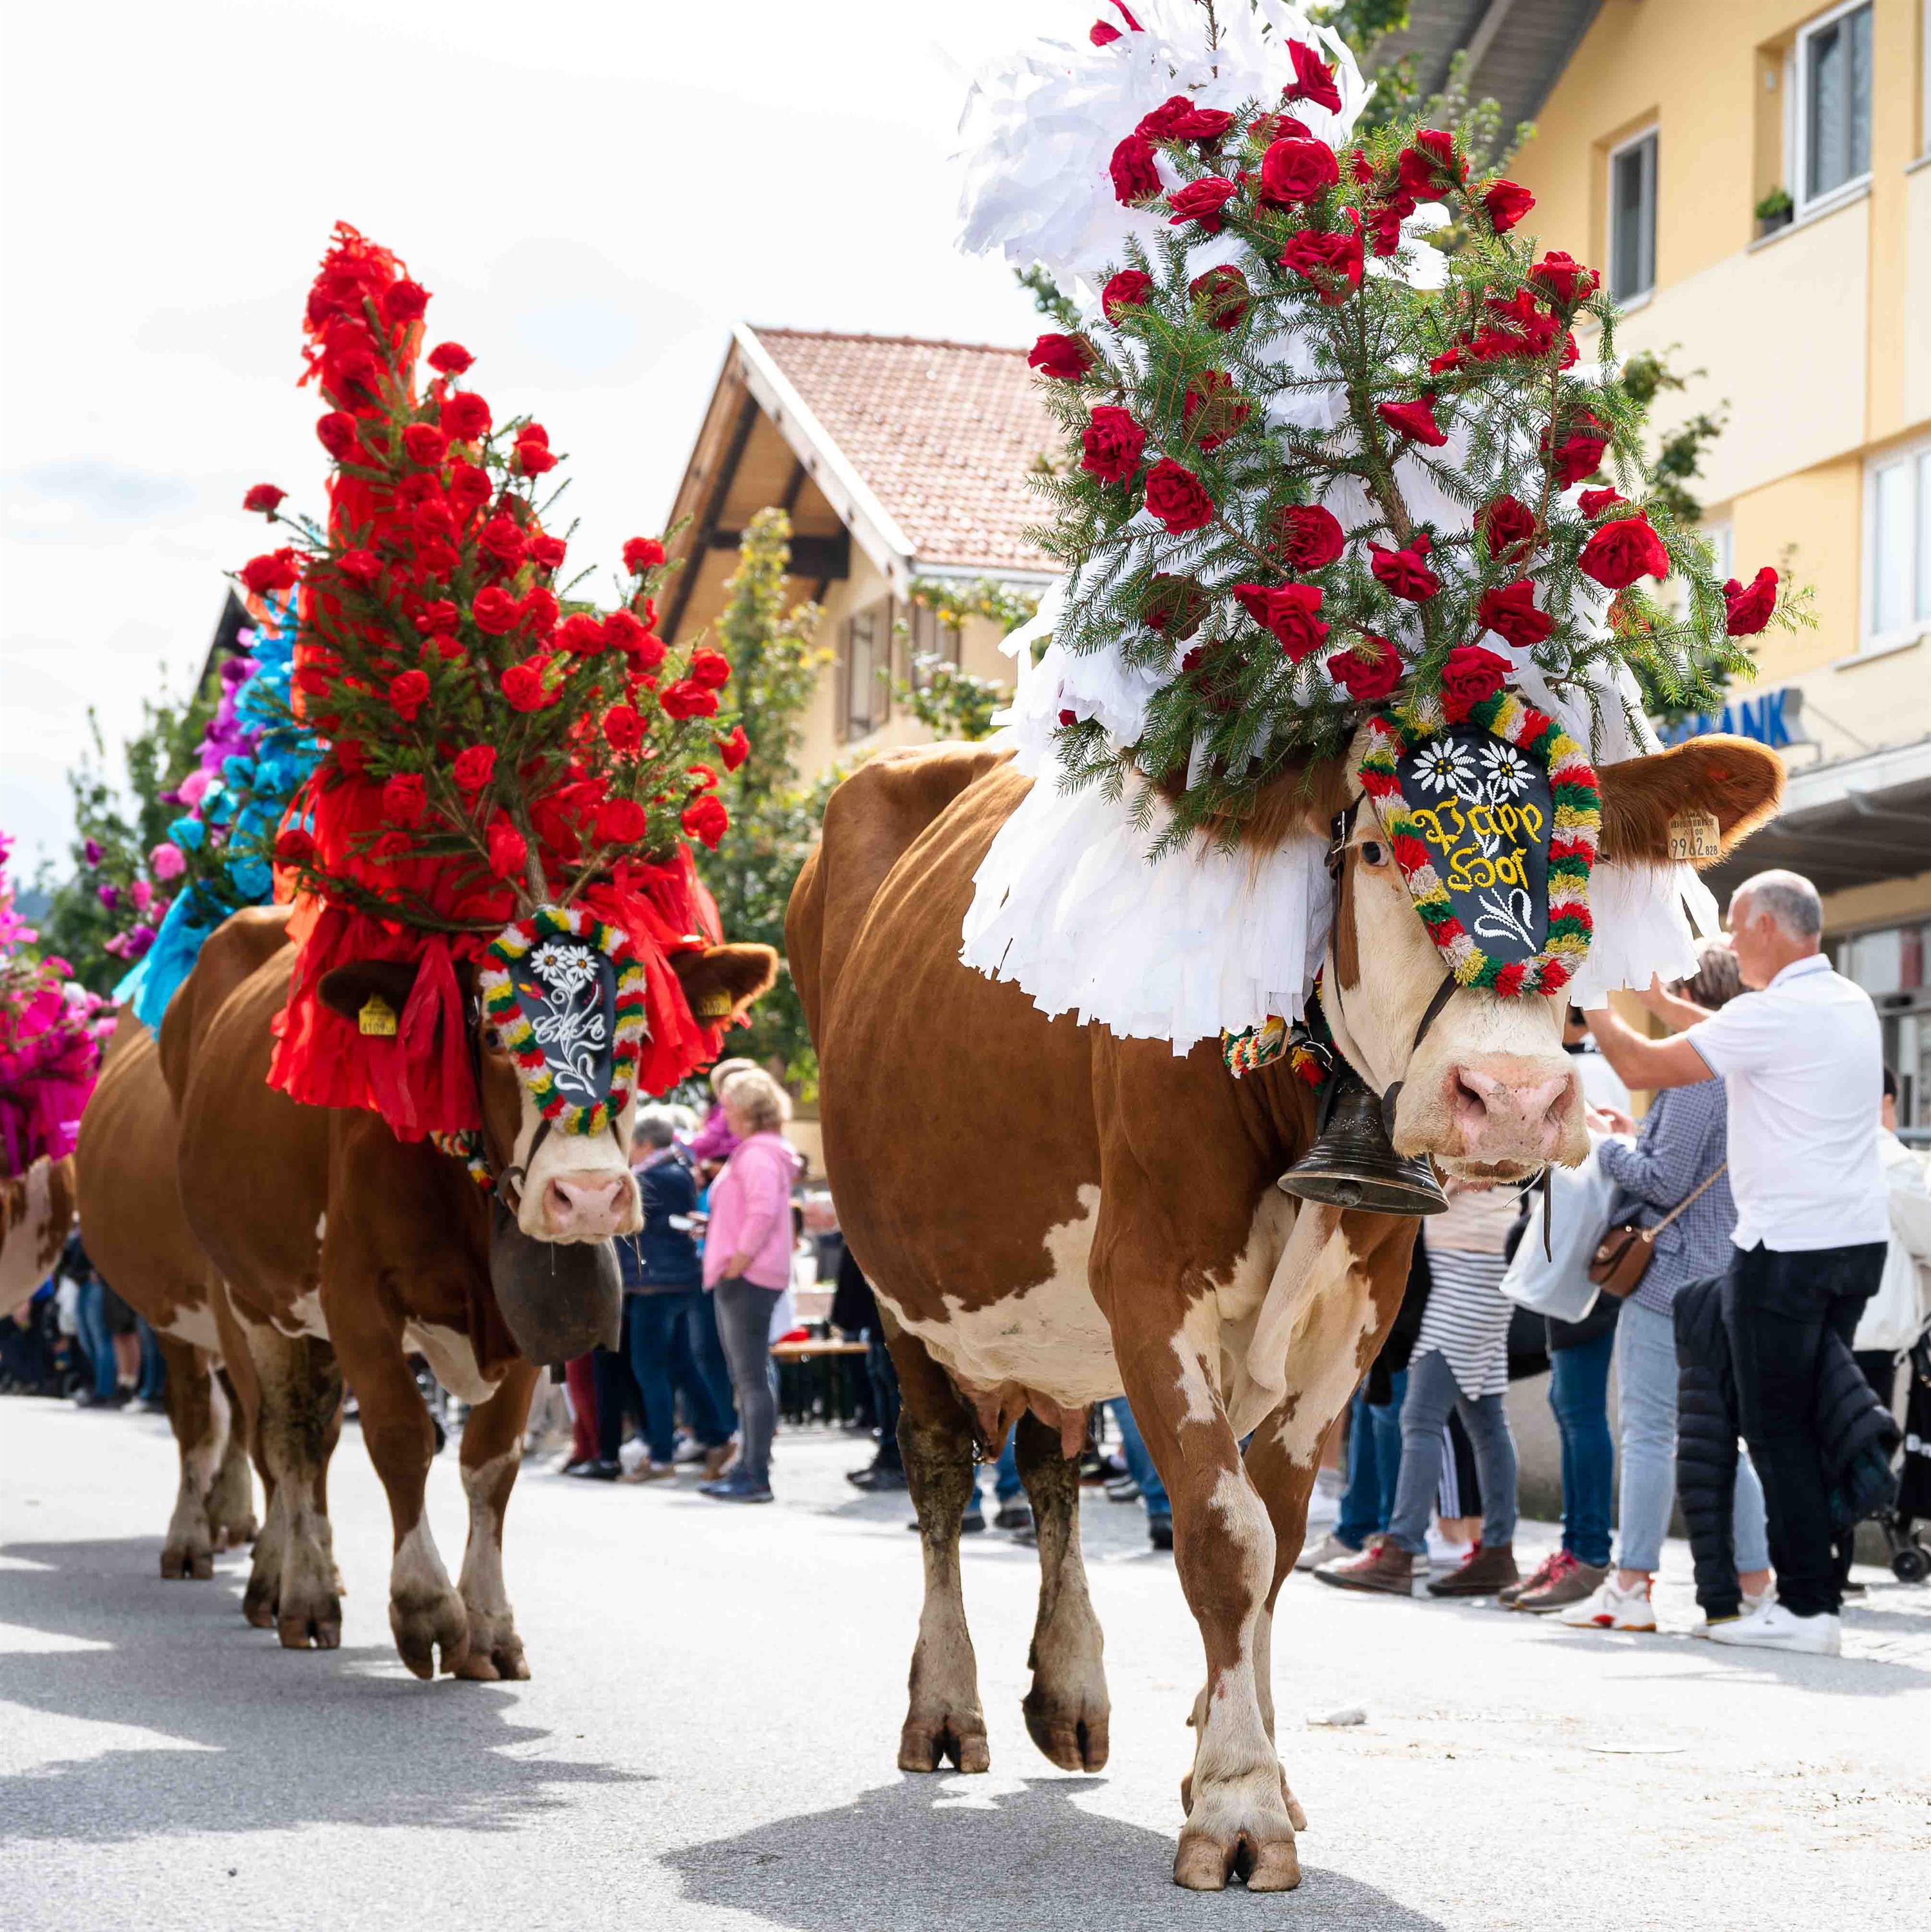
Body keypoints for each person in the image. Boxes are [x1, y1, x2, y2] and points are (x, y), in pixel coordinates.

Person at [1586, 870, 1889, 1655]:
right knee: (1810, 1417)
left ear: (1763, 925)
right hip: (1855, 1245)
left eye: (1730, 919)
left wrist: (1588, 995)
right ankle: (1805, 1590)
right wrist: (1658, 998)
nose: (1724, 931)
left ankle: (1806, 1608)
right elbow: (1724, 1034)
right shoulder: (1845, 1003)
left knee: (1776, 1428)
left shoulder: (1771, 1014)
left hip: (1785, 1251)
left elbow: (1642, 1064)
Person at [1559, 941, 1773, 1632]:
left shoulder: (1693, 1067)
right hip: (1726, 1267)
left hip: (1669, 1275)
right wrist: (1636, 1135)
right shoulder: (1750, 1067)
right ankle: (1757, 1579)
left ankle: (1631, 1585)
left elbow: (1662, 1180)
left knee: (1650, 1430)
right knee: (1723, 1435)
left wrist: (1600, 1140)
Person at [1318, 1180, 1521, 1597]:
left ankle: (1403, 1550)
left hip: (1468, 1260)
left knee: (1421, 1417)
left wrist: (1446, 1178)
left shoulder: (1505, 1113)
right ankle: (1497, 1552)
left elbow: (1503, 1156)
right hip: (1479, 1255)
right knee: (1484, 1418)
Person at [1504, 1008, 1635, 1613]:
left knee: (1579, 1407)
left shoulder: (1591, 1071)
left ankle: (1587, 1550)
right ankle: (1577, 1545)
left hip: (1585, 1259)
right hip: (1579, 1257)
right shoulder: (1603, 1069)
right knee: (1571, 1404)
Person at [700, 1067, 801, 1504]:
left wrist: (736, 1260)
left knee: (750, 1378)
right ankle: (750, 1469)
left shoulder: (757, 1154)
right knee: (754, 1376)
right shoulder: (766, 1152)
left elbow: (761, 1214)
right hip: (753, 1273)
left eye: (729, 1106)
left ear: (746, 1109)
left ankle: (754, 1474)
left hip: (747, 1276)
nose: (724, 1115)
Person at [617, 1107, 735, 1483]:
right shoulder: (676, 1171)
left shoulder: (654, 1176)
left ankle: (661, 1457)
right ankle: (718, 1438)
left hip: (656, 1284)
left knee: (650, 1370)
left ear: (645, 1145)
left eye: (632, 1146)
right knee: (682, 1365)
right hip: (673, 1281)